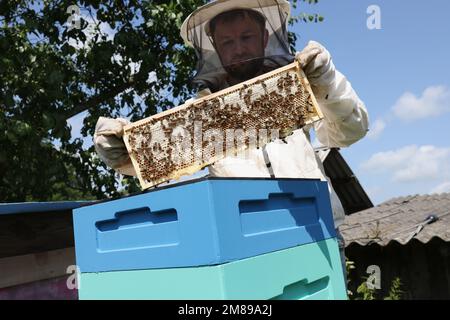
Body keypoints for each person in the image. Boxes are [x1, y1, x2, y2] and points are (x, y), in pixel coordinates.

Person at [94, 0, 369, 288]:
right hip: (247, 251)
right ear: (215, 47)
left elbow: (352, 131)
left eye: (246, 37)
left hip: (315, 234)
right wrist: (124, 152)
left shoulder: (298, 87)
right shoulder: (199, 114)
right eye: (227, 41)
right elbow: (154, 163)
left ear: (265, 38)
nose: (238, 49)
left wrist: (327, 83)